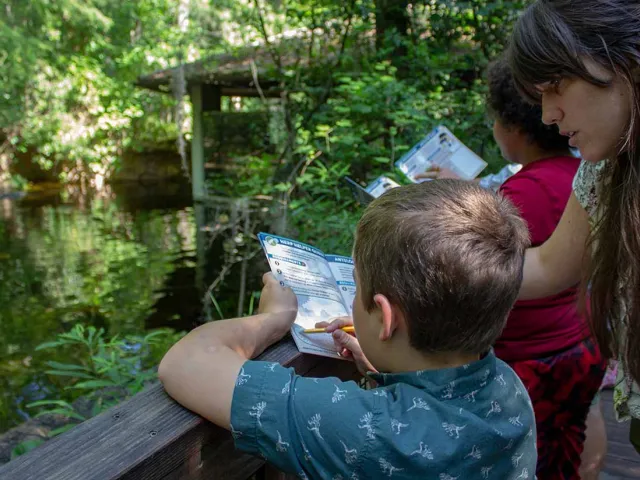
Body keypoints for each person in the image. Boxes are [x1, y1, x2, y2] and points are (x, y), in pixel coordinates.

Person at [158, 180, 537, 479]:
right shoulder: (507, 387)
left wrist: (271, 319)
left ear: (386, 319)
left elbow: (185, 362)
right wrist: (381, 370)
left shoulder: (369, 428)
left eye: (357, 286)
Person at [505, 0, 640, 454]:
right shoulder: (603, 171)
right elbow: (545, 265)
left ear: (624, 59)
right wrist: (426, 271)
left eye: (556, 85)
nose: (546, 115)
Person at [486, 57, 607, 479]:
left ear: (513, 128)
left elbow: (494, 266)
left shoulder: (518, 193)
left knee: (531, 455)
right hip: (582, 343)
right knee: (571, 438)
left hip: (529, 360)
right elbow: (557, 265)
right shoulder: (586, 170)